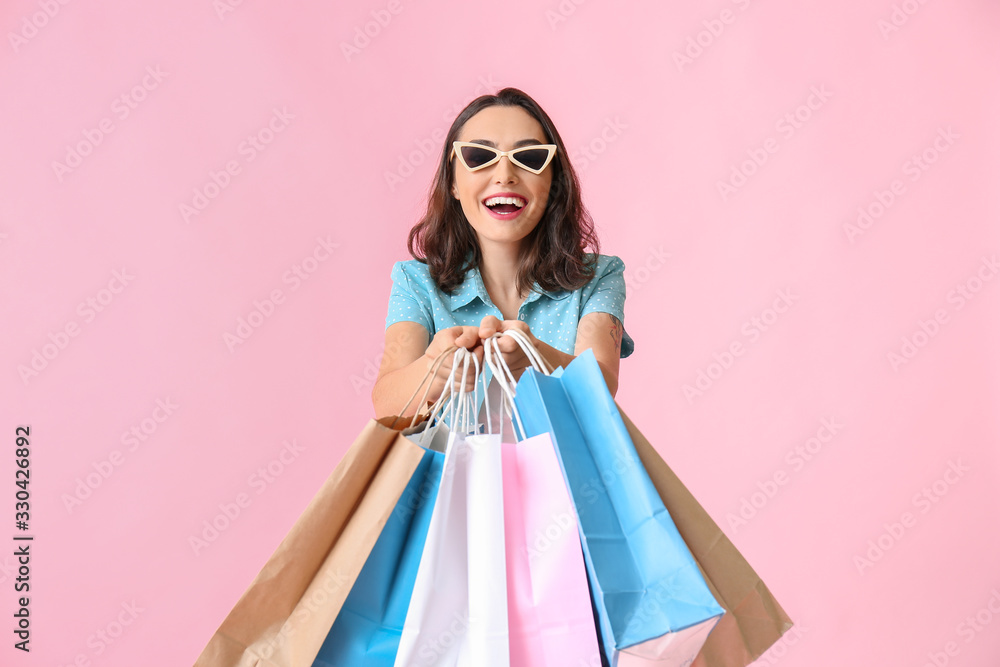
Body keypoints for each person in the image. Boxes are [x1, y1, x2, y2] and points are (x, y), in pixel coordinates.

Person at [372, 87, 634, 420]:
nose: (505, 176)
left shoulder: (598, 277)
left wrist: (534, 356)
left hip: (560, 472)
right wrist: (434, 369)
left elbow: (601, 388)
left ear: (554, 181)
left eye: (530, 159)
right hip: (449, 473)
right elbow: (385, 404)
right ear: (452, 181)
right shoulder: (417, 282)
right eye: (479, 157)